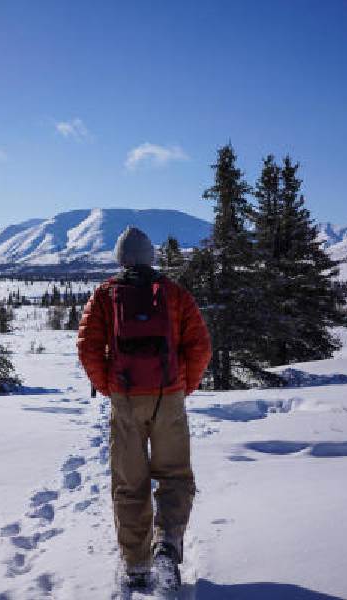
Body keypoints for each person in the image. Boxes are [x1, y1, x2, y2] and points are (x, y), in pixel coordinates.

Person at [77, 226, 211, 590]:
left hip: (126, 398)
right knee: (175, 475)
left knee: (129, 481)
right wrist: (184, 386)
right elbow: (200, 346)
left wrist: (109, 387)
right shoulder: (175, 294)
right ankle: (167, 545)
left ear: (120, 259)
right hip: (169, 396)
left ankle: (136, 565)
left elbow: (88, 347)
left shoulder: (105, 294)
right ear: (151, 257)